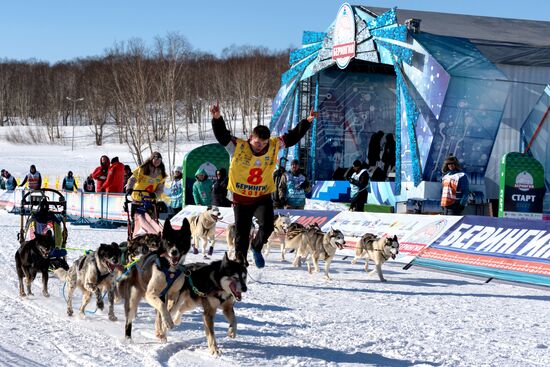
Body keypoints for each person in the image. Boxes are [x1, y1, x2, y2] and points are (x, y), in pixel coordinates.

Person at [211, 102, 315, 268]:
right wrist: (217, 119)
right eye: (258, 143)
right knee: (242, 232)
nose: (261, 146)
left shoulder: (273, 145)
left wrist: (307, 121)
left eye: (264, 143)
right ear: (251, 138)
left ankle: (257, 247)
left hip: (261, 196)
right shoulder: (238, 146)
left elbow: (292, 136)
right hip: (241, 197)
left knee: (267, 226)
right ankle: (240, 261)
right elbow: (222, 136)